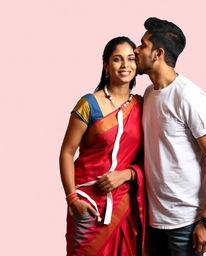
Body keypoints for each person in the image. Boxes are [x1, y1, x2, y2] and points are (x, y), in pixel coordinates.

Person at [134, 17, 206, 256]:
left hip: (185, 222)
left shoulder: (190, 97)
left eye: (142, 44)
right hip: (154, 219)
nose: (136, 49)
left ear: (158, 53)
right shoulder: (149, 94)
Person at [59, 36, 147, 256]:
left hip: (124, 205)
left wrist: (128, 174)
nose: (125, 65)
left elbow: (152, 158)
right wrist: (73, 200)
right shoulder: (88, 104)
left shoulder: (143, 106)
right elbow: (67, 153)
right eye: (117, 59)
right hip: (87, 202)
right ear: (106, 65)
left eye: (130, 59)